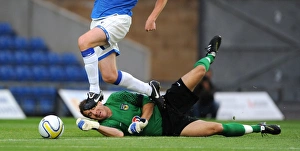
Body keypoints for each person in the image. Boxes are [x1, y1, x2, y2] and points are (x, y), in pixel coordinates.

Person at [75, 35, 281, 137]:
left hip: (166, 104)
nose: (96, 114)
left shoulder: (116, 99)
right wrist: (96, 127)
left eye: (93, 110)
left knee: (200, 73)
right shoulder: (107, 125)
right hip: (172, 128)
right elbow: (118, 135)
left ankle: (210, 54)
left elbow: (147, 97)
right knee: (215, 128)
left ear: (98, 101)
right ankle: (259, 127)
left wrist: (143, 120)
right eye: (92, 116)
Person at [63, 0, 168, 110]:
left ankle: (94, 92)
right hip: (98, 22)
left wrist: (152, 18)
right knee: (110, 76)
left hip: (119, 20)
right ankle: (151, 90)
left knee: (83, 42)